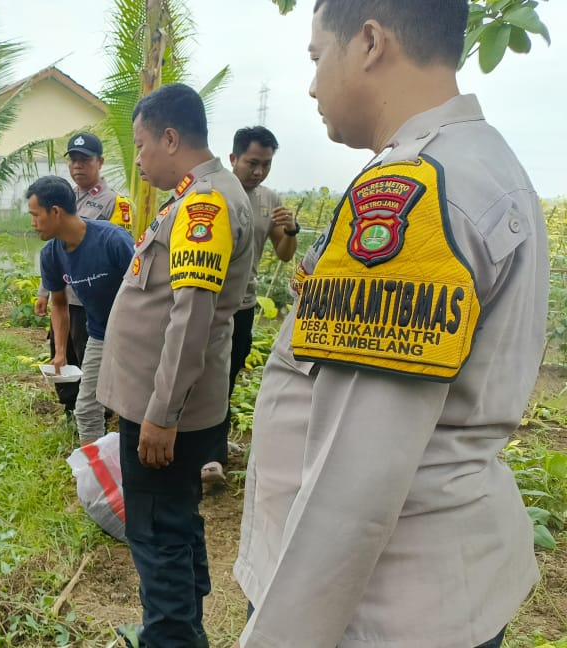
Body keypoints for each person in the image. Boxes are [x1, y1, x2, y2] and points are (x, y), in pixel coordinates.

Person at [233, 1, 549, 647]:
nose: (313, 85)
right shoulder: (484, 165)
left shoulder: (412, 190)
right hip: (436, 595)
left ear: (371, 42)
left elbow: (353, 484)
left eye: (319, 57)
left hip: (374, 612)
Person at [96, 82, 254, 647]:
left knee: (159, 534)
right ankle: (183, 629)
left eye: (140, 146)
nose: (136, 159)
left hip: (166, 413)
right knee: (178, 525)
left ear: (169, 137)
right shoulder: (199, 195)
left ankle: (170, 636)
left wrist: (161, 415)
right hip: (174, 407)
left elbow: (191, 319)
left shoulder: (205, 204)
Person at [201, 126, 298, 484]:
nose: (258, 172)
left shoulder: (268, 199)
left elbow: (284, 255)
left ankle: (212, 449)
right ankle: (206, 454)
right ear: (233, 159)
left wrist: (289, 232)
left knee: (226, 378)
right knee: (203, 377)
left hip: (242, 307)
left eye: (266, 164)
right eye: (252, 163)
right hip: (206, 303)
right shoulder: (213, 192)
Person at [30, 175, 134, 447]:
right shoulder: (51, 254)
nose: (33, 223)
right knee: (87, 408)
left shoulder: (114, 240)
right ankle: (95, 475)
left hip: (137, 334)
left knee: (135, 406)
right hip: (99, 334)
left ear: (55, 212)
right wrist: (61, 353)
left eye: (35, 215)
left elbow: (147, 290)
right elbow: (60, 305)